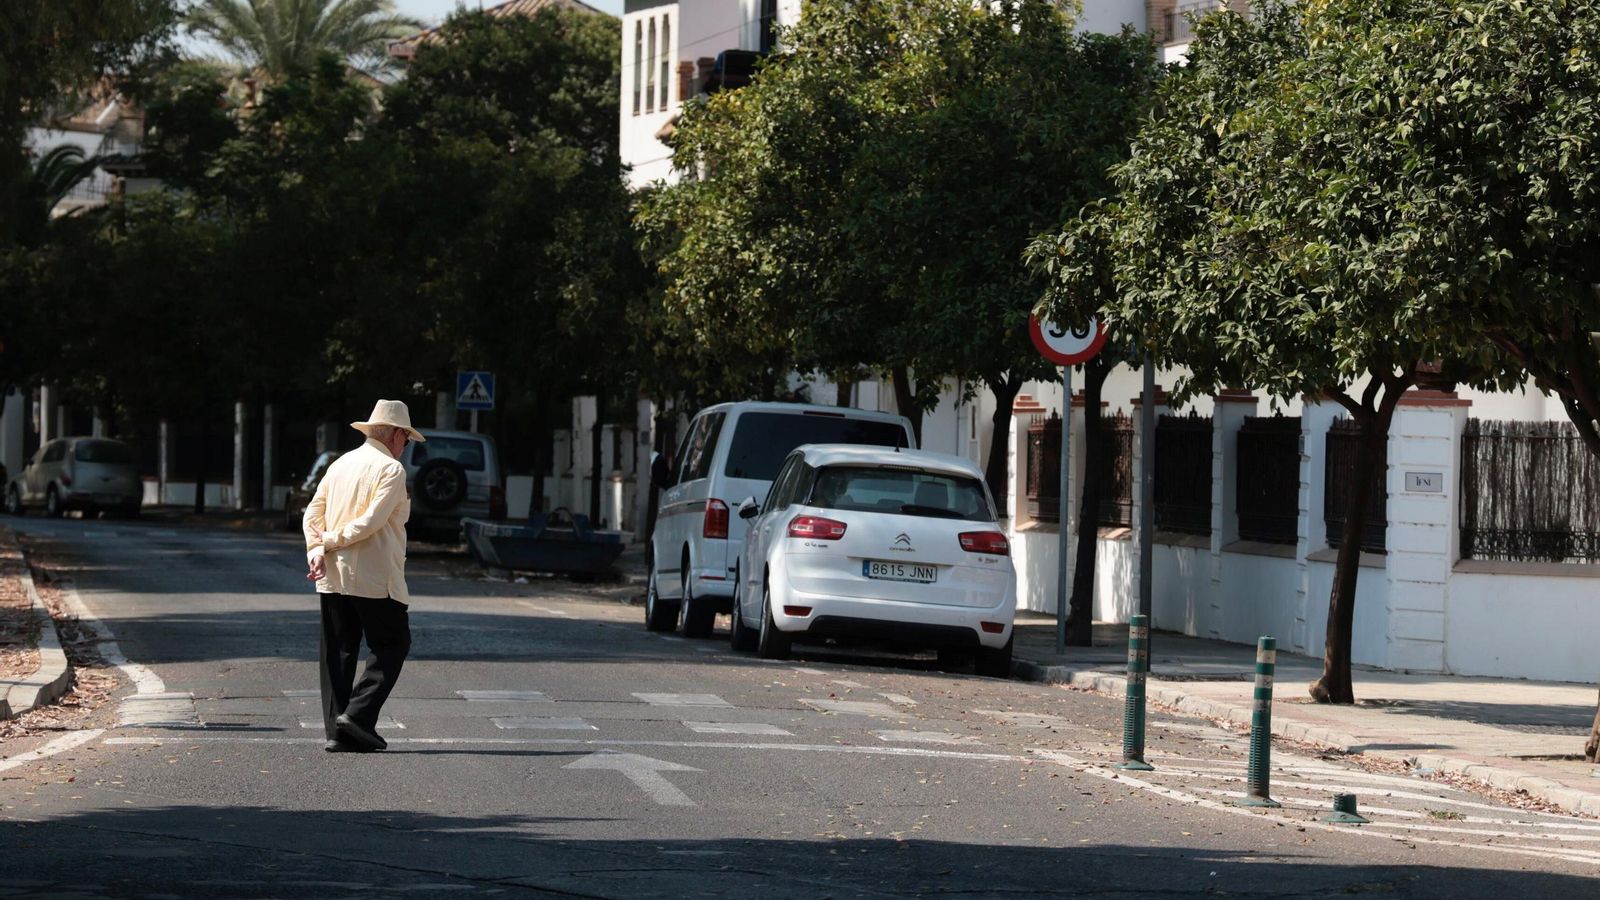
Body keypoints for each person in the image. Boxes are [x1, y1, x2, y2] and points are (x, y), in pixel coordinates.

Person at [303, 399, 422, 753]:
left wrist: (317, 549)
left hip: (333, 574)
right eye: (407, 439)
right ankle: (357, 715)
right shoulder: (391, 470)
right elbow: (371, 522)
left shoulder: (339, 464)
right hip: (374, 577)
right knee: (393, 644)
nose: (406, 446)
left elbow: (313, 513)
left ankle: (337, 732)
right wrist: (326, 541)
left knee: (338, 652)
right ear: (396, 434)